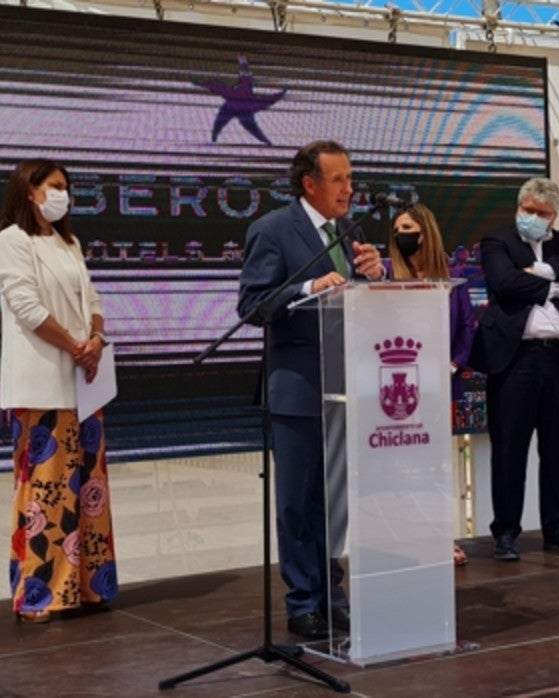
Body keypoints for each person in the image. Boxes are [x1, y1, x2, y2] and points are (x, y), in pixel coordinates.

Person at [237, 140, 385, 640]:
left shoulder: (351, 231)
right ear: (310, 183)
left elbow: (355, 304)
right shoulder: (273, 230)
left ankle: (332, 594)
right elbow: (252, 304)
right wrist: (307, 289)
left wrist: (374, 276)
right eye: (339, 179)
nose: (349, 188)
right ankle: (303, 600)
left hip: (347, 385)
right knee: (299, 501)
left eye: (350, 177)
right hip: (298, 386)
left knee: (335, 500)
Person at [0, 158, 117, 623]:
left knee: (88, 488)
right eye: (56, 186)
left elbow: (93, 300)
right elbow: (26, 306)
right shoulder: (11, 241)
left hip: (84, 384)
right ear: (30, 190)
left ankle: (87, 586)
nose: (63, 194)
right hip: (44, 383)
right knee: (46, 489)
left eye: (67, 187)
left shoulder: (68, 242)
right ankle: (40, 593)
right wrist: (74, 346)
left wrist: (96, 340)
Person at [469, 177, 559, 562]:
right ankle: (506, 531)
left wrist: (536, 272)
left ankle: (555, 526)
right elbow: (503, 283)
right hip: (516, 358)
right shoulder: (498, 241)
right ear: (518, 206)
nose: (533, 218)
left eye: (542, 214)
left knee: (556, 446)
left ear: (554, 215)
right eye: (528, 211)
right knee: (510, 448)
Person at [387, 204, 476, 566]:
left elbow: (467, 328)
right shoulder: (386, 275)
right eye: (395, 228)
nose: (399, 234)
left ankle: (441, 538)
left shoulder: (451, 279)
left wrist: (453, 366)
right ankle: (405, 539)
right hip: (396, 389)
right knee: (400, 467)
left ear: (425, 231)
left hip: (438, 388)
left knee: (434, 468)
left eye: (406, 226)